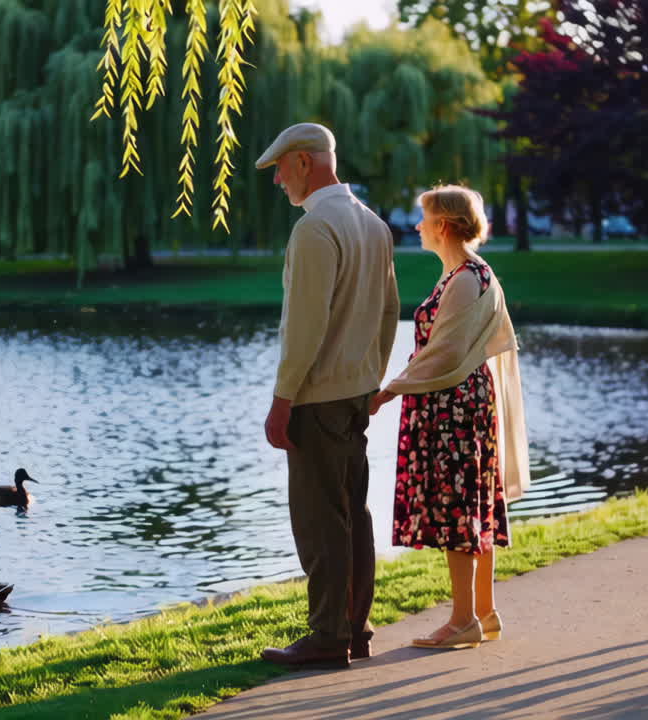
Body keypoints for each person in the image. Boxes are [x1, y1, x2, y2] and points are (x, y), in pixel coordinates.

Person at [254, 122, 400, 669]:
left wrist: (281, 399)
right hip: (354, 394)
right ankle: (353, 631)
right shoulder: (373, 225)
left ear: (304, 162)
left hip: (316, 399)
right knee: (352, 514)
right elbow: (389, 314)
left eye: (279, 170)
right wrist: (370, 382)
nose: (277, 182)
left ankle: (325, 637)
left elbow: (305, 328)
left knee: (319, 521)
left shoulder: (315, 230)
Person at [369, 184, 529, 650]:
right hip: (461, 403)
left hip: (453, 407)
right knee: (469, 504)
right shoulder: (468, 273)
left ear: (443, 225)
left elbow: (444, 352)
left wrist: (386, 392)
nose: (417, 226)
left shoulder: (465, 279)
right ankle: (483, 611)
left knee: (458, 509)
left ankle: (462, 620)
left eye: (424, 218)